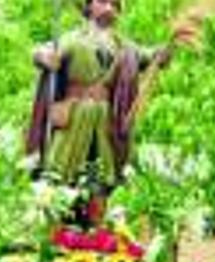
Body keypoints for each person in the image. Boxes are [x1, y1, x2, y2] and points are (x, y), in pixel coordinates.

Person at [28, 0, 173, 223]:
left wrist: (161, 54)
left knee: (102, 181)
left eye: (115, 5)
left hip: (106, 125)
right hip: (74, 120)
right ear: (89, 6)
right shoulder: (72, 40)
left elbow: (148, 56)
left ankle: (96, 236)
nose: (109, 8)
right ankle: (59, 234)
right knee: (61, 177)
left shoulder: (124, 47)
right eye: (103, 2)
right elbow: (41, 51)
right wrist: (42, 56)